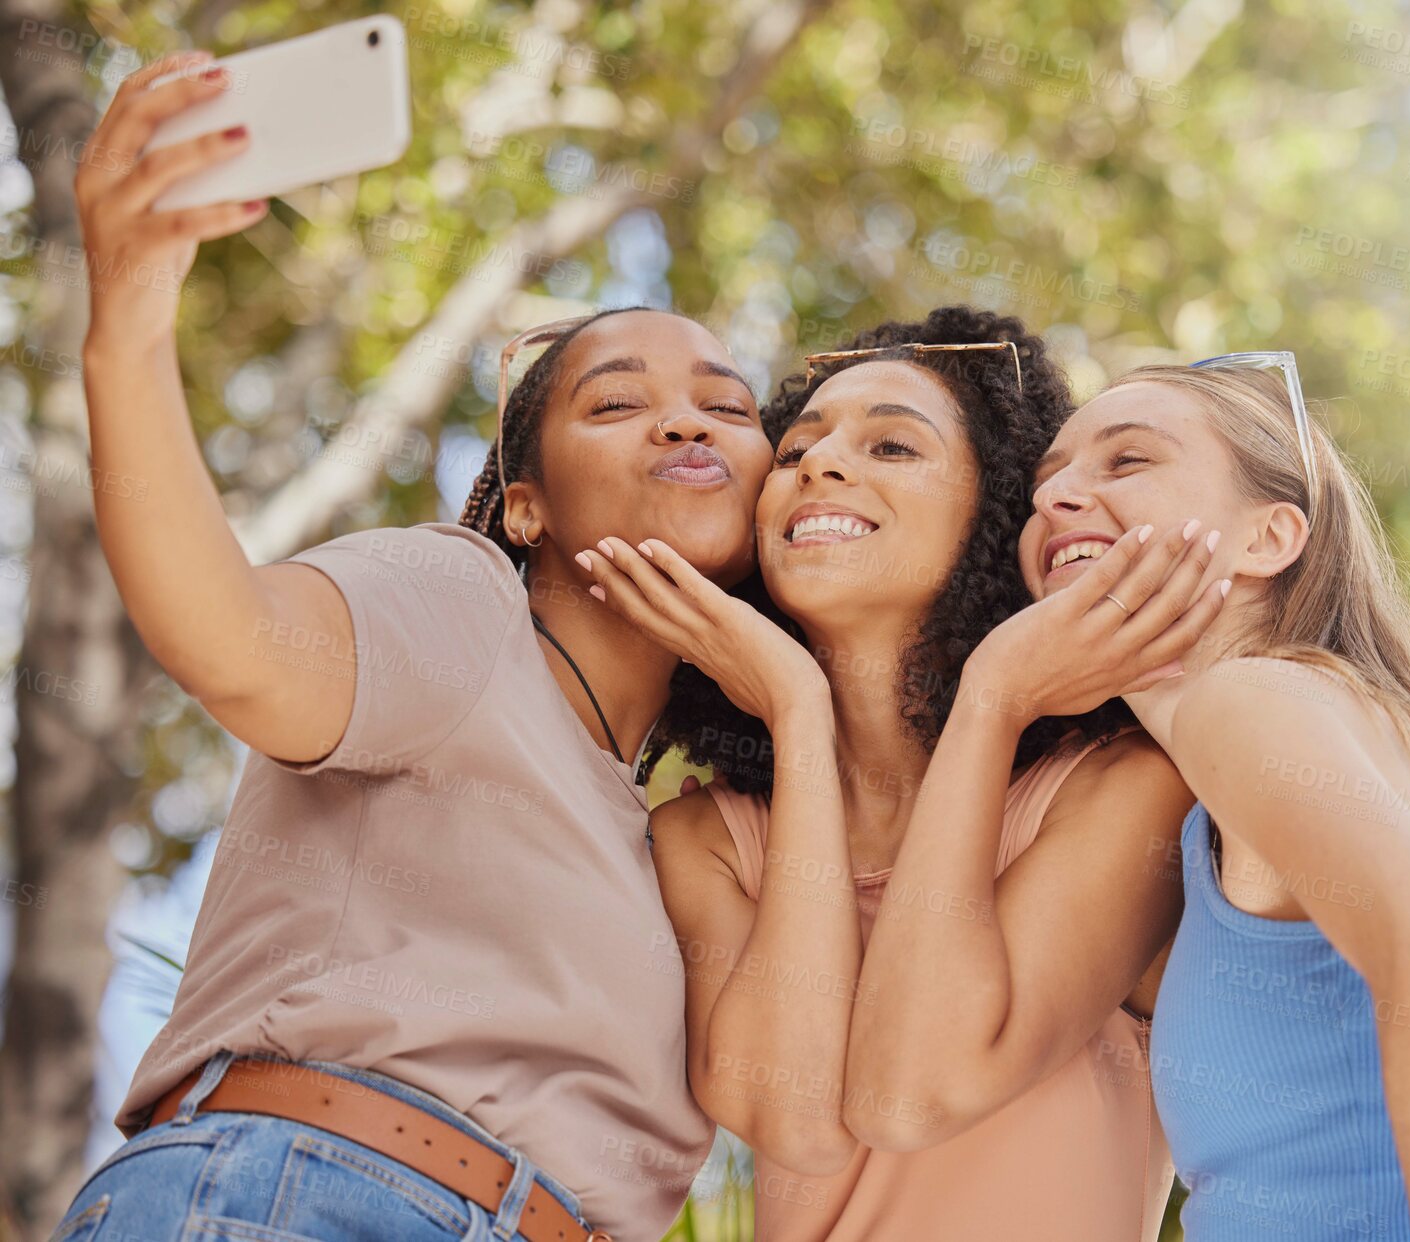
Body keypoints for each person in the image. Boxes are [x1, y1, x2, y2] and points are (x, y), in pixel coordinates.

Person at [55, 49, 774, 1242]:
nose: (686, 415)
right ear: (528, 504)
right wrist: (126, 319)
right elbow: (229, 640)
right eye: (615, 402)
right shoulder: (465, 602)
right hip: (314, 1201)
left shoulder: (682, 832)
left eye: (730, 405)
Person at [577, 307, 1226, 1239]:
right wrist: (798, 714)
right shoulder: (703, 835)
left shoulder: (1123, 789)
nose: (821, 466)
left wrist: (994, 697)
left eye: (892, 446)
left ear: (992, 513)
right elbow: (791, 1118)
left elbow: (925, 1086)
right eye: (796, 450)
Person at [1017, 358, 1410, 1240]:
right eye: (1046, 477)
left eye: (1126, 461)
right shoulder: (1271, 760)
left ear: (1268, 539)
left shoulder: (1249, 701)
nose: (1059, 493)